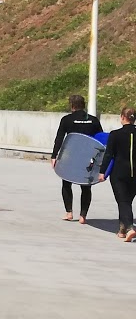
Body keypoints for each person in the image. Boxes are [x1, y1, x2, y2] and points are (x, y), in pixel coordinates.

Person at [51, 94, 104, 224]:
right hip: (87, 156)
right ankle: (83, 216)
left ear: (72, 105)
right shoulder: (93, 120)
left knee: (66, 182)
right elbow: (100, 138)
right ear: (83, 105)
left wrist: (54, 156)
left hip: (71, 155)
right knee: (86, 186)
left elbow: (59, 138)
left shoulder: (67, 119)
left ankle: (69, 212)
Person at [99, 107, 136, 242]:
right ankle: (122, 229)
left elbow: (108, 155)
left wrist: (102, 172)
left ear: (122, 117)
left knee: (123, 201)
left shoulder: (115, 134)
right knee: (126, 201)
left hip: (119, 173)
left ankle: (130, 228)